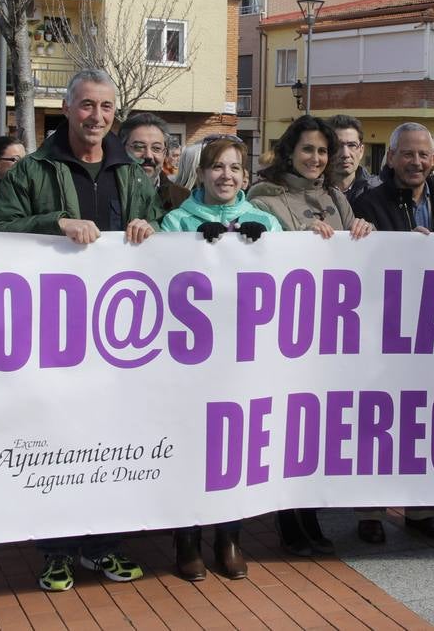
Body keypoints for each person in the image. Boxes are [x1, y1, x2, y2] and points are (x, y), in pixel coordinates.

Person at [0, 69, 159, 592]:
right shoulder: (32, 171)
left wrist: (151, 227)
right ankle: (56, 551)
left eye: (107, 108)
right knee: (59, 442)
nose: (97, 117)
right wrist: (52, 224)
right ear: (66, 107)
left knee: (110, 442)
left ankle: (103, 545)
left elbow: (162, 235)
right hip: (53, 339)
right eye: (87, 106)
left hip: (116, 341)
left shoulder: (132, 174)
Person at [248, 116, 374, 555]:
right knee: (287, 425)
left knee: (314, 429)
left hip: (329, 330)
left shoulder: (338, 197)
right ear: (289, 151)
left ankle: (309, 516)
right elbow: (262, 249)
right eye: (308, 150)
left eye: (323, 152)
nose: (317, 159)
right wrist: (299, 241)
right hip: (286, 331)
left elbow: (354, 253)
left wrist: (364, 232)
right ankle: (290, 521)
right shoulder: (264, 197)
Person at [161, 137, 283, 582]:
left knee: (235, 447)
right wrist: (194, 248)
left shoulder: (266, 221)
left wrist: (265, 248)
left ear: (246, 177)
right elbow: (162, 280)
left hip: (243, 358)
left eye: (235, 168)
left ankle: (229, 535)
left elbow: (291, 277)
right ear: (201, 173)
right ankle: (187, 537)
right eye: (217, 167)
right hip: (192, 359)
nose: (226, 175)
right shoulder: (176, 221)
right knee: (192, 444)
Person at [352, 122, 434, 544]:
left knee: (427, 421)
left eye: (424, 155)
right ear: (391, 158)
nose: (416, 162)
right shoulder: (368, 200)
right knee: (375, 420)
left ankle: (421, 509)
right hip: (383, 329)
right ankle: (370, 512)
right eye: (407, 154)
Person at [120, 113, 189, 212]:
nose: (148, 155)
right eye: (139, 147)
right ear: (122, 149)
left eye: (156, 148)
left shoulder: (182, 198)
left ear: (164, 153)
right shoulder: (107, 192)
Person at [327, 114, 380, 203]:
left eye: (352, 145)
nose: (345, 154)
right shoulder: (311, 192)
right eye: (337, 145)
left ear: (361, 151)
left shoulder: (378, 192)